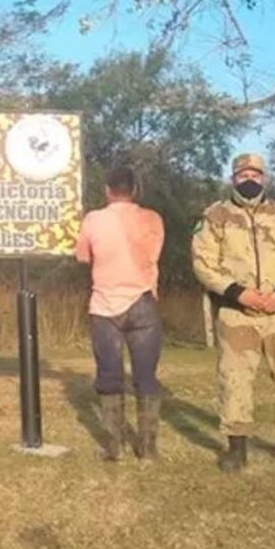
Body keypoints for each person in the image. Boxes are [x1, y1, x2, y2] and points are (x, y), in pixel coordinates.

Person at [191, 153, 275, 476]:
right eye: (242, 174)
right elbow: (202, 261)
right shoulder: (215, 215)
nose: (249, 179)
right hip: (238, 313)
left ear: (265, 178)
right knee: (234, 379)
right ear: (233, 178)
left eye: (255, 174)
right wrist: (238, 293)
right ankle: (236, 447)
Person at [75, 166, 165, 461]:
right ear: (135, 190)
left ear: (107, 190)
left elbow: (82, 256)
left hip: (105, 306)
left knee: (109, 376)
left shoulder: (93, 219)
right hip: (143, 301)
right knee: (146, 377)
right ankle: (148, 448)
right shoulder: (153, 219)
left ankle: (114, 447)